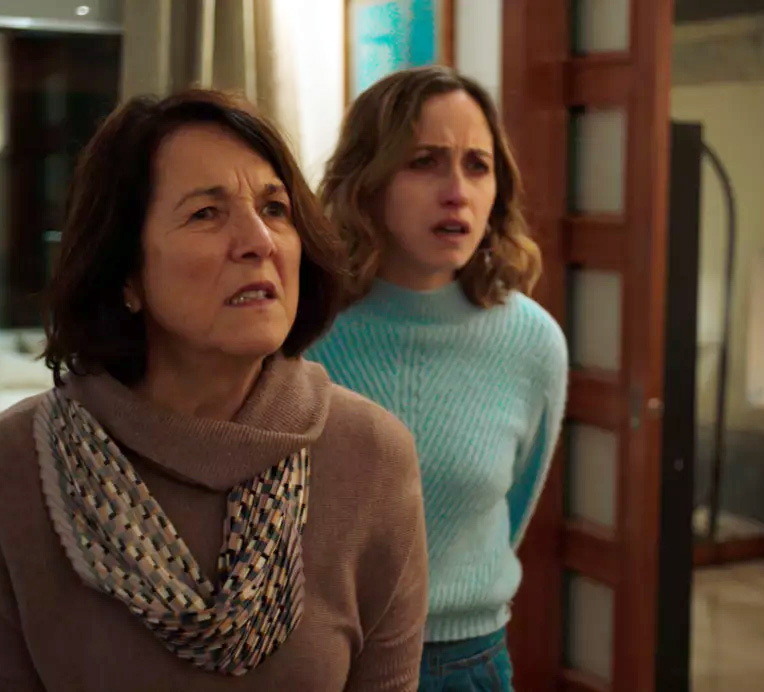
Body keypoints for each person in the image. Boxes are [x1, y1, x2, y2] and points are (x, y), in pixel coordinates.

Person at [0, 89, 428, 691]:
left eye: (274, 208)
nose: (259, 240)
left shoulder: (372, 454)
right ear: (126, 275)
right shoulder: (6, 470)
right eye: (206, 213)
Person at [306, 66, 569, 690]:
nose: (457, 192)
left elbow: (513, 507)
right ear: (369, 180)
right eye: (424, 162)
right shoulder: (302, 328)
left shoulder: (532, 342)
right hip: (319, 654)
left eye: (477, 166)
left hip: (466, 661)